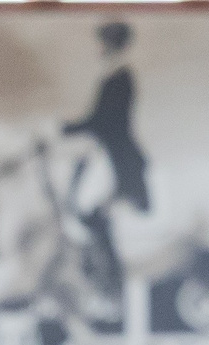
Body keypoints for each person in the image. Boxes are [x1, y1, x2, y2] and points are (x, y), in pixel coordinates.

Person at [62, 22, 148, 303]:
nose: (98, 48)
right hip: (105, 149)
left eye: (101, 42)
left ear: (111, 44)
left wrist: (64, 128)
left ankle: (110, 276)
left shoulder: (121, 77)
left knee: (88, 206)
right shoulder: (111, 75)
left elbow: (103, 122)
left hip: (117, 153)